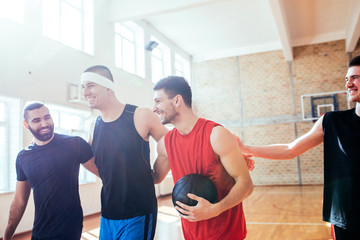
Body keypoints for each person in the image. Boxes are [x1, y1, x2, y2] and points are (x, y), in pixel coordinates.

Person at [237, 55, 360, 240]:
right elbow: (290, 149)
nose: (348, 84)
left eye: (355, 77)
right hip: (347, 222)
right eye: (347, 79)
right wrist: (247, 148)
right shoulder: (332, 121)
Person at [152, 76, 254, 240]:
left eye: (158, 101)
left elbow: (246, 184)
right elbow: (155, 177)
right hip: (191, 235)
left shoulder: (216, 135)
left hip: (227, 235)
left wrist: (216, 209)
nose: (154, 108)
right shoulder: (165, 144)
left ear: (177, 100)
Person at [80, 65, 168, 240]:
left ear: (107, 87)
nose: (85, 93)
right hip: (108, 212)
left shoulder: (139, 115)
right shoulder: (94, 125)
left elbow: (170, 143)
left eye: (90, 85)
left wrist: (157, 176)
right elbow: (87, 159)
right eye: (83, 87)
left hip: (138, 210)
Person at [3, 102, 98, 240]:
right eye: (36, 120)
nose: (44, 124)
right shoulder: (23, 157)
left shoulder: (74, 144)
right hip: (40, 230)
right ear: (26, 125)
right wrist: (7, 236)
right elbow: (19, 201)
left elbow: (105, 173)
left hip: (70, 229)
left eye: (47, 117)